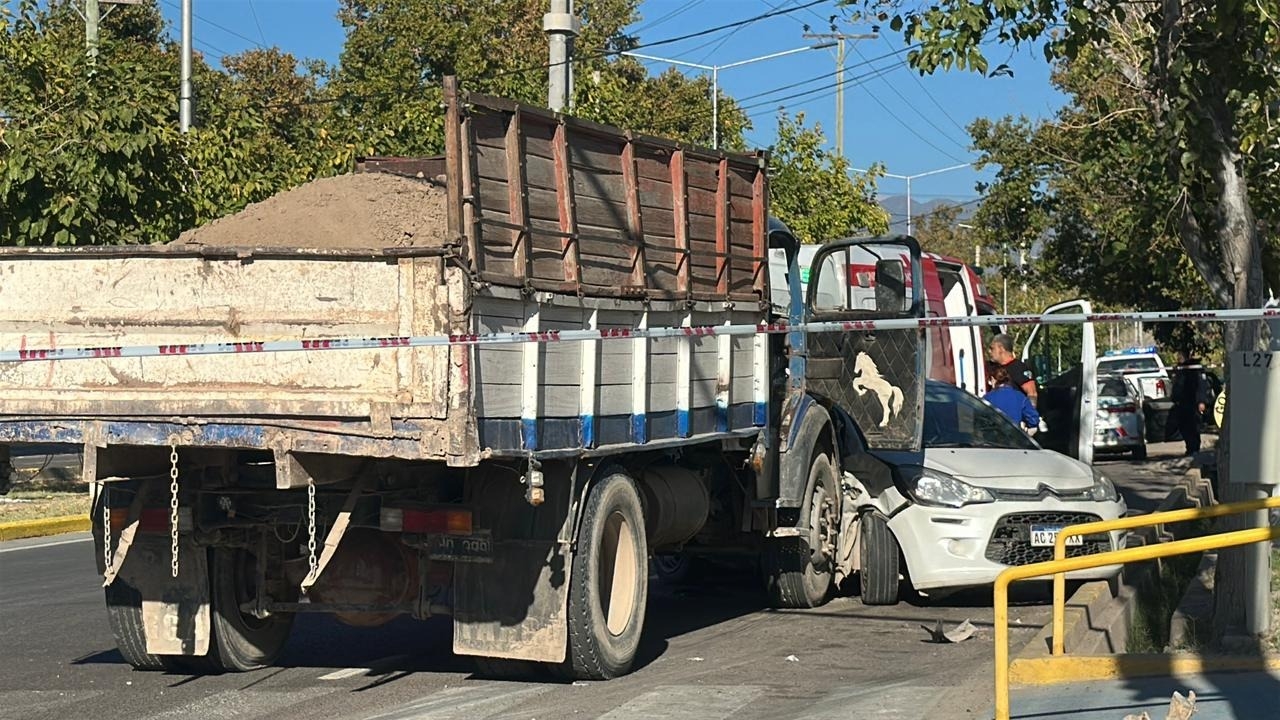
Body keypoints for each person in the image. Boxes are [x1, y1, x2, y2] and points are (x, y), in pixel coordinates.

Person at [984, 364, 1041, 432]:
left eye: (989, 380)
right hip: (1014, 435)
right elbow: (1033, 419)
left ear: (993, 379)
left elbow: (981, 420)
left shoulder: (987, 398)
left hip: (994, 435)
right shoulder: (1020, 396)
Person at [987, 333, 1038, 408]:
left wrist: (1029, 413)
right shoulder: (992, 367)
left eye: (992, 348)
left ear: (1001, 348)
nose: (989, 351)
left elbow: (1032, 393)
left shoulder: (1019, 368)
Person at [1172, 349, 1206, 457]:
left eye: (1181, 356)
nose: (1179, 358)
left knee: (1194, 426)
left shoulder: (1195, 369)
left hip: (1193, 402)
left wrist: (1201, 401)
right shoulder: (1180, 369)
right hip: (1182, 402)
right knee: (1184, 426)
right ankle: (1190, 447)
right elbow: (1177, 385)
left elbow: (1201, 386)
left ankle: (1195, 447)